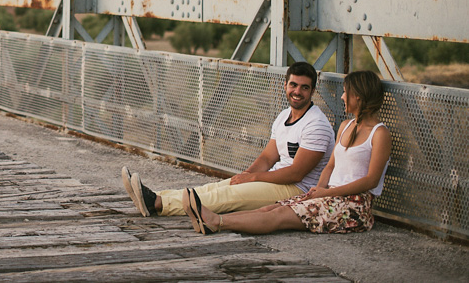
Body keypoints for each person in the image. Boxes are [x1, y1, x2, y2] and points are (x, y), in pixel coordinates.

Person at [184, 69, 390, 235]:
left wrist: (326, 193)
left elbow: (371, 180)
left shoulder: (379, 134)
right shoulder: (346, 125)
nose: (343, 97)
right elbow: (330, 166)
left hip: (353, 207)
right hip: (328, 196)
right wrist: (316, 192)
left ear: (359, 96)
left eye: (346, 92)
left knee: (280, 215)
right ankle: (211, 219)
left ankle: (216, 222)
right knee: (269, 208)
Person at [122, 61, 335, 220]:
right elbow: (268, 156)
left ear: (312, 91)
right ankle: (154, 196)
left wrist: (252, 180)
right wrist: (248, 174)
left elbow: (296, 173)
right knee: (216, 188)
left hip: (298, 189)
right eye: (293, 85)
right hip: (275, 179)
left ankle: (159, 204)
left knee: (228, 196)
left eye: (304, 87)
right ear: (285, 85)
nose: (297, 92)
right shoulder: (283, 116)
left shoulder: (316, 124)